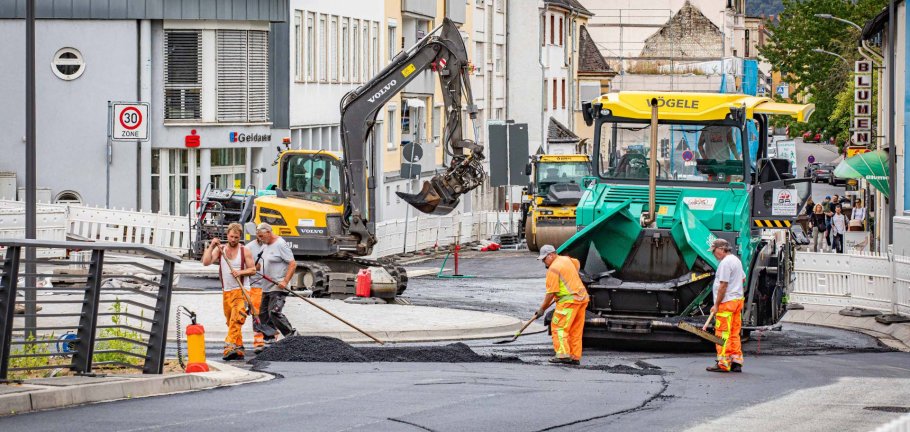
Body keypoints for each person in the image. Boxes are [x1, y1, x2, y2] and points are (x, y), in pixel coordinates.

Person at [201, 223, 257, 361]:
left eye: (236, 237)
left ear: (240, 237)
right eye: (231, 237)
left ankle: (229, 347)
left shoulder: (245, 251)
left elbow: (253, 270)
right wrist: (212, 246)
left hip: (242, 290)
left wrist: (240, 272)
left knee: (237, 319)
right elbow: (206, 262)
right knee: (230, 322)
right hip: (227, 291)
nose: (233, 239)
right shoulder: (221, 250)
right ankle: (238, 348)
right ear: (227, 236)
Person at [536, 244, 590, 365]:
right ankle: (574, 356)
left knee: (559, 327)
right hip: (582, 299)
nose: (544, 262)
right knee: (575, 330)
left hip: (568, 302)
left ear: (551, 255)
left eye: (544, 259)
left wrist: (542, 309)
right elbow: (577, 264)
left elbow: (551, 293)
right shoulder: (566, 259)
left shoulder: (553, 269)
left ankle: (562, 354)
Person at [253, 223, 299, 349]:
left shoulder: (280, 244)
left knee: (274, 312)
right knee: (263, 314)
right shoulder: (265, 245)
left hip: (278, 285)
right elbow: (261, 264)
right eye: (259, 237)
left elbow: (293, 264)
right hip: (266, 286)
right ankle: (270, 339)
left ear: (269, 232)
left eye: (262, 236)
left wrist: (285, 281)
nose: (261, 239)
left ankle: (292, 335)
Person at [705, 239, 745, 373]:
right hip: (737, 301)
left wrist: (716, 305)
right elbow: (743, 278)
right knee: (734, 333)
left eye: (714, 251)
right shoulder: (736, 260)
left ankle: (723, 363)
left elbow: (723, 285)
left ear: (721, 249)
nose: (714, 254)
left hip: (726, 303)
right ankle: (736, 361)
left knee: (722, 333)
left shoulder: (725, 263)